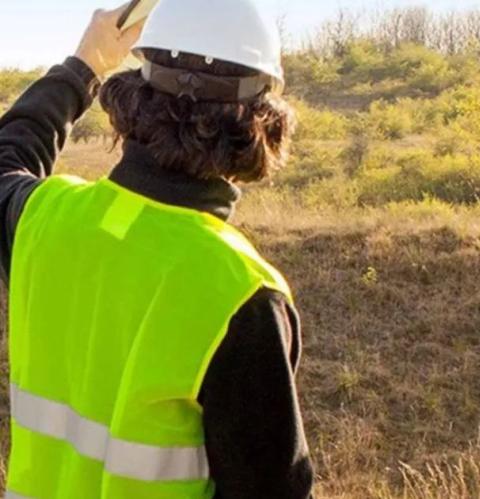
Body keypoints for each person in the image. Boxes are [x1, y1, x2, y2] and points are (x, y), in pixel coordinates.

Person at [0, 1, 313, 497]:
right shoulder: (243, 294)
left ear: (132, 98)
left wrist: (86, 64)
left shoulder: (45, 220)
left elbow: (8, 156)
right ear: (263, 122)